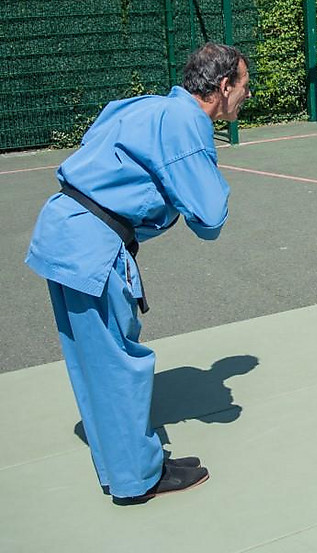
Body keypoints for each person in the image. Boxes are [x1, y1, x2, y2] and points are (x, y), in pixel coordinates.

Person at [24, 42, 250, 503]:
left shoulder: (147, 105)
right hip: (93, 245)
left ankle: (125, 465)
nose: (246, 95)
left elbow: (100, 139)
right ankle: (137, 479)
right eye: (243, 86)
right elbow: (209, 219)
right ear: (223, 87)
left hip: (62, 230)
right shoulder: (189, 121)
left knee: (92, 363)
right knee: (117, 363)